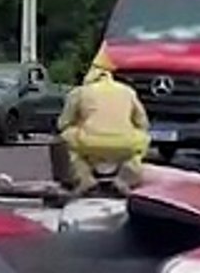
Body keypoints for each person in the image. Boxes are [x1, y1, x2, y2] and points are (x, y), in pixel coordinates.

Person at [57, 65, 150, 194]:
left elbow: (63, 123)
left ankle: (83, 178)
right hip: (124, 144)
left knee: (64, 138)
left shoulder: (79, 92)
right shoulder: (128, 91)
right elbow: (143, 123)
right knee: (144, 139)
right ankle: (126, 176)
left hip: (89, 143)